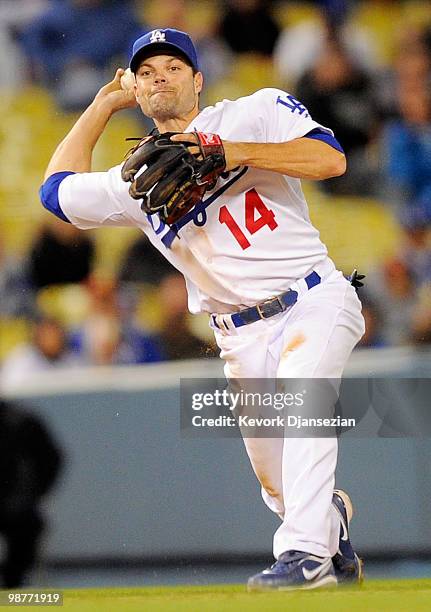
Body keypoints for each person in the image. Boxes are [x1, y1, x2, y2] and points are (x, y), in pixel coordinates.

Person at [39, 28, 365, 590]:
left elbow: (329, 159)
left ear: (197, 79)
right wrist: (102, 103)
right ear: (136, 91)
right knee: (278, 484)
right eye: (144, 71)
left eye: (171, 65)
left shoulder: (253, 112)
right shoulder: (134, 179)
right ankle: (324, 522)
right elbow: (55, 193)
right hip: (238, 334)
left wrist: (225, 152)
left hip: (313, 297)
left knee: (303, 401)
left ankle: (306, 557)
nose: (158, 75)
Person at [0, 398, 63, 587]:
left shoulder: (21, 421)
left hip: (16, 506)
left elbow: (51, 458)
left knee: (27, 529)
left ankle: (13, 589)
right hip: (14, 503)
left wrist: (34, 495)